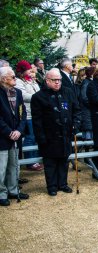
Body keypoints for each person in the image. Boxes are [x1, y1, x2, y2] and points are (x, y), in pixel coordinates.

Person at [31, 68, 81, 196]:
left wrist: (76, 124)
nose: (58, 82)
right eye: (54, 80)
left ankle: (62, 184)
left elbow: (76, 110)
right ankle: (52, 186)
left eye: (59, 80)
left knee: (64, 161)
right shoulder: (38, 97)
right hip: (49, 136)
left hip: (65, 134)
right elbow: (37, 120)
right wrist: (41, 137)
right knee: (50, 163)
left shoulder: (68, 92)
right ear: (47, 80)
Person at [0, 66, 28, 206]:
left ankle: (13, 190)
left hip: (16, 135)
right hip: (3, 137)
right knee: (1, 168)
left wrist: (19, 130)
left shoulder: (17, 92)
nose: (15, 78)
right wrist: (8, 132)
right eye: (12, 77)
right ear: (4, 79)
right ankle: (1, 193)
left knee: (14, 166)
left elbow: (23, 114)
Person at [15, 60, 43, 171]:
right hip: (28, 114)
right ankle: (30, 162)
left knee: (35, 137)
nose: (30, 71)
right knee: (30, 137)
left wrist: (33, 81)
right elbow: (23, 95)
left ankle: (35, 160)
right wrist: (38, 97)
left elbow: (38, 90)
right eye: (28, 69)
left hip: (36, 112)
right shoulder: (18, 81)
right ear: (22, 70)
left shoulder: (30, 80)